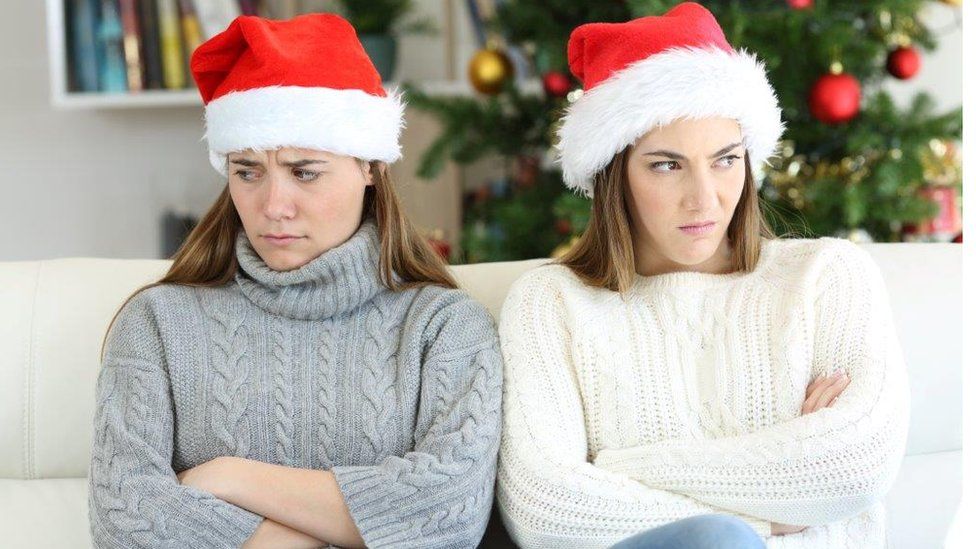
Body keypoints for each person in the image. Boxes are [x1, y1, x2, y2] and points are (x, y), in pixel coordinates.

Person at [495, 3, 909, 548]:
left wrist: (615, 468)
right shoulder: (550, 304)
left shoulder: (826, 277)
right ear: (614, 174)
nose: (705, 198)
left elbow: (856, 464)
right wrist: (771, 514)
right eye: (667, 165)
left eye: (725, 159)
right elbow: (544, 510)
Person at [87, 13, 502, 549]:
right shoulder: (157, 323)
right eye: (247, 171)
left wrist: (231, 477)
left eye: (304, 171)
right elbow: (124, 515)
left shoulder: (444, 326)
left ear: (368, 167)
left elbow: (448, 517)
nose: (273, 207)